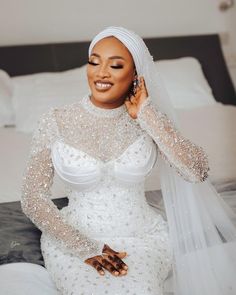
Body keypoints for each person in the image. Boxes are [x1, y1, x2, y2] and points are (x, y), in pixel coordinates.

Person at [21, 26, 236, 295]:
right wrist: (85, 248)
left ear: (135, 74)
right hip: (73, 240)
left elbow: (197, 171)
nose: (101, 73)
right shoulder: (56, 120)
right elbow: (32, 198)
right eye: (94, 62)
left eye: (116, 65)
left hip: (144, 238)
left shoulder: (149, 119)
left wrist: (147, 116)